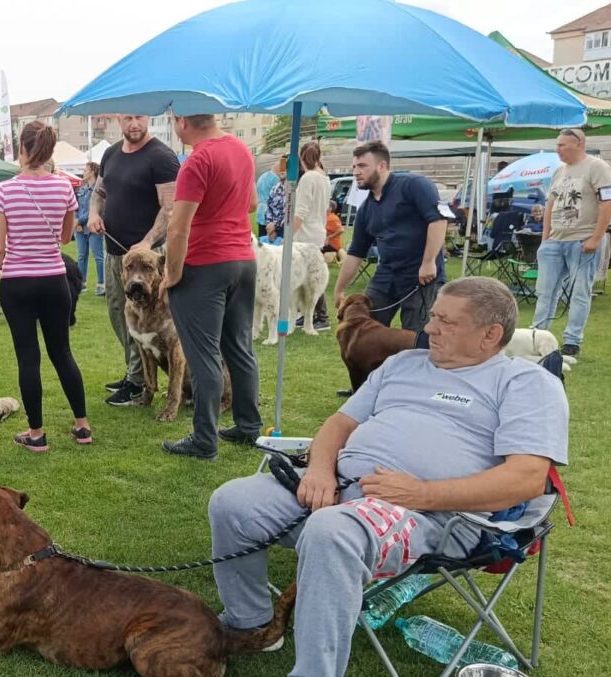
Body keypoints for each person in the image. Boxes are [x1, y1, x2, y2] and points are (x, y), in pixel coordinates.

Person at [207, 277, 568, 677]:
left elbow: (526, 480)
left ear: (490, 335)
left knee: (331, 531)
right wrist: (322, 470)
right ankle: (252, 624)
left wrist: (421, 493)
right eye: (433, 316)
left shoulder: (527, 383)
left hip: (435, 517)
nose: (429, 328)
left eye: (446, 322)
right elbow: (338, 425)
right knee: (232, 502)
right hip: (339, 489)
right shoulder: (402, 364)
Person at [0, 121, 91, 453]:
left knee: (28, 358)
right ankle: (82, 426)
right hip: (55, 279)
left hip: (17, 282)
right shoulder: (64, 189)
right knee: (63, 353)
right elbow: (66, 237)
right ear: (50, 151)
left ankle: (37, 433)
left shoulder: (5, 191)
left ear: (22, 149)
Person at [157, 114, 259, 460]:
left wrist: (171, 275)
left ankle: (204, 439)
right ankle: (248, 425)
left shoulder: (197, 160)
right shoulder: (241, 150)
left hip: (205, 265)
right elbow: (252, 204)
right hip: (243, 260)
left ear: (182, 120)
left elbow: (177, 228)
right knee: (240, 347)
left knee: (203, 357)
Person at [89, 114, 180, 407]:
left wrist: (148, 241)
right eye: (128, 118)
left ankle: (139, 381)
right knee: (121, 314)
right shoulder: (111, 154)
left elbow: (170, 207)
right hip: (116, 254)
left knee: (150, 319)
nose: (134, 124)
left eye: (139, 118)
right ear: (119, 119)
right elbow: (99, 192)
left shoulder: (161, 156)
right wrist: (93, 214)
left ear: (148, 118)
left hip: (150, 259)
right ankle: (134, 371)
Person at [333, 141, 446, 338]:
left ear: (382, 166)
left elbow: (438, 220)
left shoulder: (413, 185)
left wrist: (428, 263)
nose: (356, 172)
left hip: (421, 276)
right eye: (354, 167)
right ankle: (378, 370)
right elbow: (355, 252)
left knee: (416, 338)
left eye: (362, 166)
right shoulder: (366, 209)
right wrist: (339, 289)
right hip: (386, 275)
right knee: (364, 333)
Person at [533, 128, 611, 358]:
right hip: (554, 242)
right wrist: (545, 239)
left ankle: (572, 341)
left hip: (582, 240)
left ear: (579, 144)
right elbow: (550, 205)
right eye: (557, 145)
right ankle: (539, 335)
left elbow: (607, 203)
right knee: (545, 292)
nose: (558, 149)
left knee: (580, 291)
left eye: (562, 145)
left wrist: (596, 238)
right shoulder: (559, 171)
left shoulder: (597, 167)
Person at [292, 141, 333, 330]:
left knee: (310, 277)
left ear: (302, 159)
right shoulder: (324, 178)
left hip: (306, 233)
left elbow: (301, 210)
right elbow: (325, 209)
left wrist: (289, 234)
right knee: (309, 276)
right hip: (317, 230)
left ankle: (321, 316)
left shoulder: (309, 178)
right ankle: (309, 314)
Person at [74, 162, 104, 296]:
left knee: (98, 257)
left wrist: (78, 221)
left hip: (94, 228)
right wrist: (77, 223)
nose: (83, 172)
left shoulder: (98, 190)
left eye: (85, 170)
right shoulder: (82, 189)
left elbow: (95, 209)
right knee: (81, 256)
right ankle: (82, 284)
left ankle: (101, 285)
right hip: (80, 229)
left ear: (92, 171)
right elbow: (75, 207)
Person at [255, 155, 284, 238]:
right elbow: (277, 200)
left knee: (262, 238)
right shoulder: (276, 180)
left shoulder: (262, 177)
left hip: (260, 211)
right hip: (270, 214)